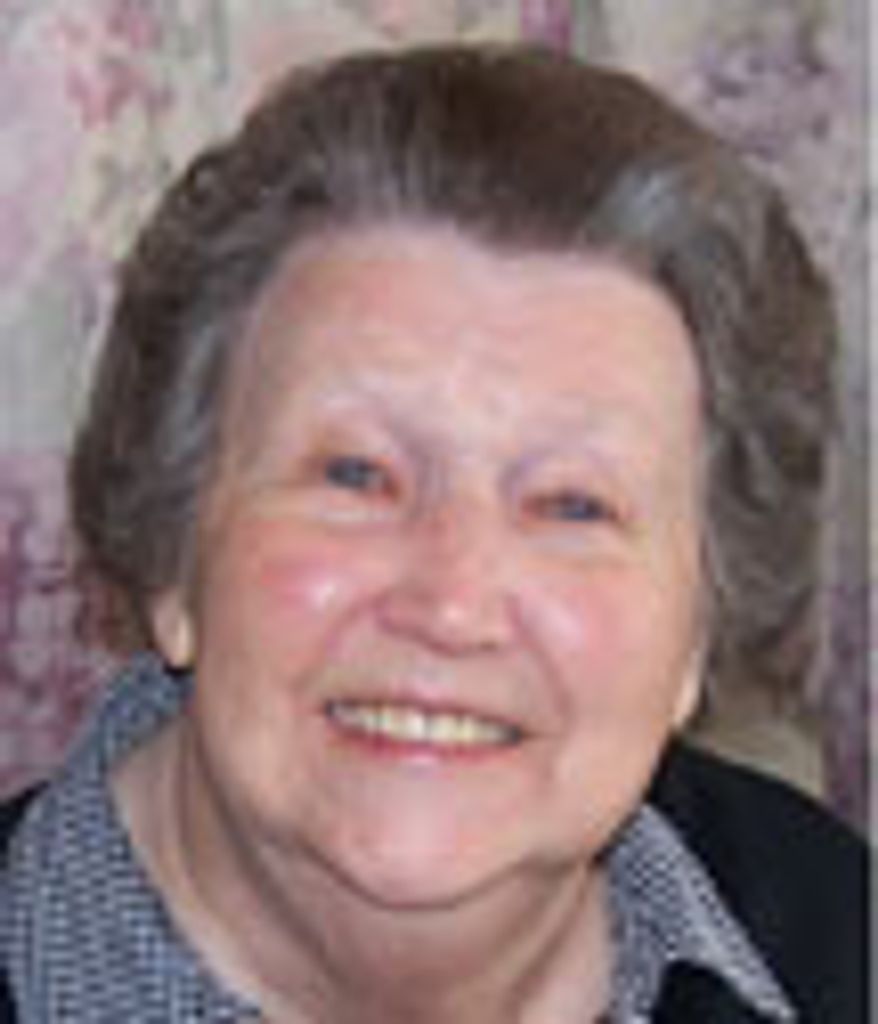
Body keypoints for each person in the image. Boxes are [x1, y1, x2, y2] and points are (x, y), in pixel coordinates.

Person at [0, 44, 866, 1023]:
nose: (452, 605)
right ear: (173, 558)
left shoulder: (834, 936)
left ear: (699, 629)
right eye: (356, 475)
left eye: (573, 506)